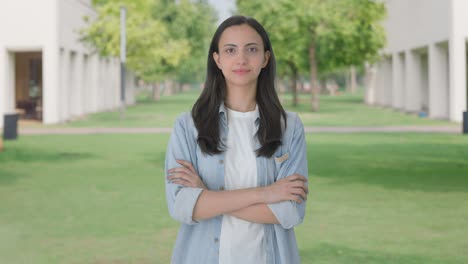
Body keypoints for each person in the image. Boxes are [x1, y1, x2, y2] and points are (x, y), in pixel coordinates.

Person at [165, 15, 309, 264]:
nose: (241, 59)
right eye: (230, 50)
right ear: (217, 60)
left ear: (265, 58)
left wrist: (206, 196)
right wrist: (267, 193)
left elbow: (290, 212)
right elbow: (182, 207)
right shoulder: (188, 126)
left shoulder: (290, 127)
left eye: (251, 49)